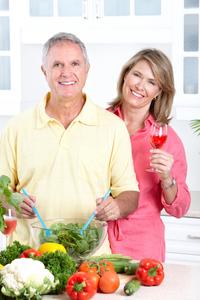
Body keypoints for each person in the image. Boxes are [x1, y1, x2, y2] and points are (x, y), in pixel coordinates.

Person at [0, 32, 139, 248]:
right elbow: (2, 191)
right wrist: (12, 203)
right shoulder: (17, 127)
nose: (66, 72)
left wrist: (117, 207)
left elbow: (129, 194)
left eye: (75, 63)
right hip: (29, 259)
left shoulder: (113, 127)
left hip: (90, 260)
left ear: (86, 69)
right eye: (57, 64)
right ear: (44, 71)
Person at [107, 48, 191, 262]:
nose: (140, 86)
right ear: (125, 75)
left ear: (159, 92)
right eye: (137, 75)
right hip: (98, 240)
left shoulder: (167, 139)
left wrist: (167, 179)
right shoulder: (98, 123)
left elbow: (180, 209)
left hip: (142, 245)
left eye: (151, 82)